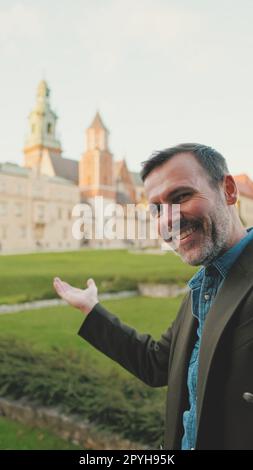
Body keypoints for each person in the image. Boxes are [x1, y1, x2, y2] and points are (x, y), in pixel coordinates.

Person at [53, 143, 253, 450]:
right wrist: (92, 310)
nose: (168, 219)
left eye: (181, 196)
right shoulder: (200, 291)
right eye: (157, 209)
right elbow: (157, 364)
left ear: (228, 190)